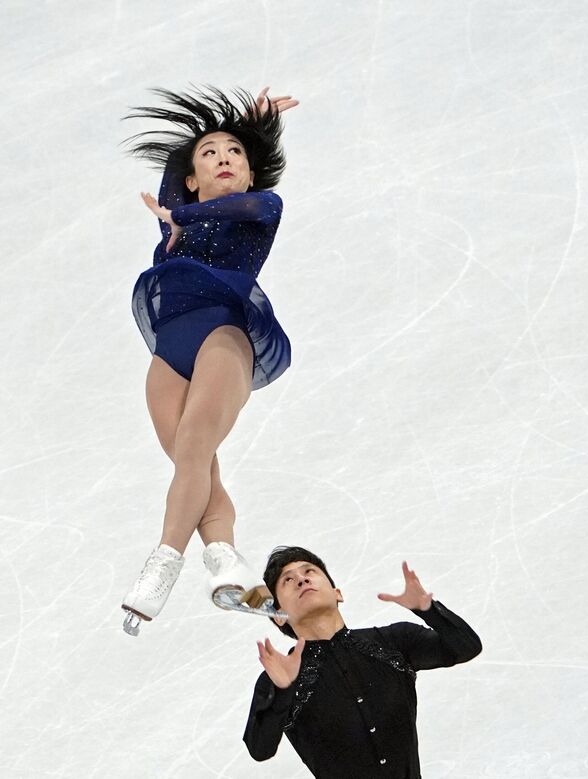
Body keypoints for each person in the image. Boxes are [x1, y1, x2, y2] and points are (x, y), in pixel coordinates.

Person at [119, 86, 299, 635]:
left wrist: (251, 133)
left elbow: (216, 205)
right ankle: (227, 561)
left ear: (250, 173)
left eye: (236, 154)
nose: (225, 158)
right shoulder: (179, 210)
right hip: (169, 348)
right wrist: (239, 125)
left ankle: (163, 563)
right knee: (193, 464)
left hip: (225, 334)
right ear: (192, 177)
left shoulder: (261, 206)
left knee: (194, 448)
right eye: (210, 153)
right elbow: (177, 190)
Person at [244, 546, 482, 778]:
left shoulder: (394, 641)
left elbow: (467, 648)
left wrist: (428, 610)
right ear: (278, 617)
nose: (302, 580)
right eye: (288, 580)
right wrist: (283, 692)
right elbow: (260, 749)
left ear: (338, 593)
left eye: (309, 572)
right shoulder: (280, 678)